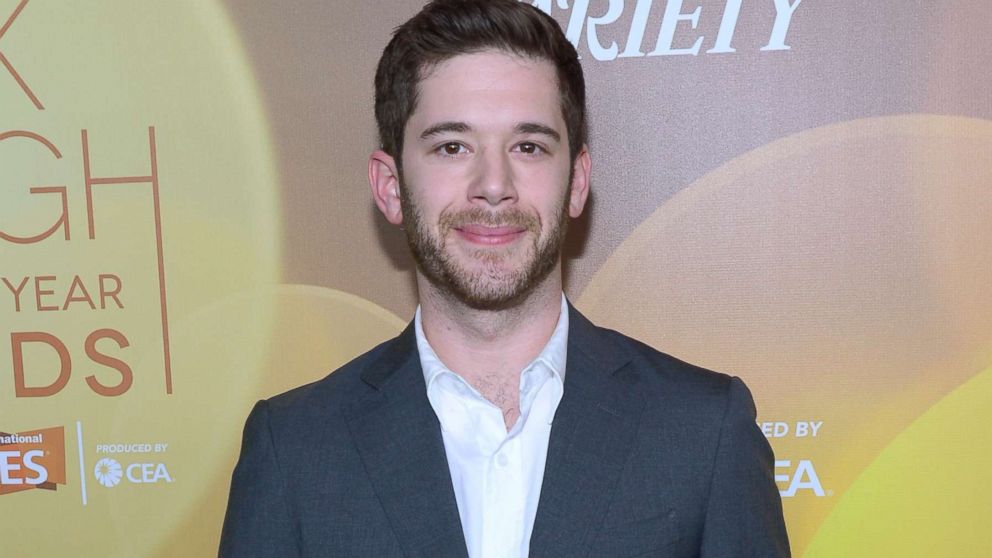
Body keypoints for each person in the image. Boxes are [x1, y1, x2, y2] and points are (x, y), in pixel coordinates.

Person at [219, 0, 789, 556]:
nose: (493, 183)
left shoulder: (703, 431)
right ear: (390, 187)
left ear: (577, 182)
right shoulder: (294, 450)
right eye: (451, 146)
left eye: (528, 146)